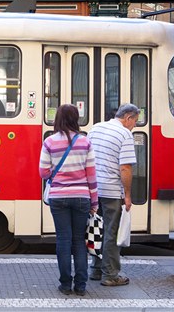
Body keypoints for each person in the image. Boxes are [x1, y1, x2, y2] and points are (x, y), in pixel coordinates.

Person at [39, 104, 98, 296]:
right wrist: (95, 202)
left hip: (58, 197)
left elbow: (43, 172)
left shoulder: (49, 142)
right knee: (78, 241)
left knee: (63, 240)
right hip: (82, 196)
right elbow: (91, 175)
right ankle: (81, 285)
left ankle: (65, 284)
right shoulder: (85, 142)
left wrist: (58, 174)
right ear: (76, 118)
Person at [87, 103, 139, 286]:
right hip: (111, 190)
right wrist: (127, 195)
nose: (134, 126)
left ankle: (95, 269)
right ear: (128, 118)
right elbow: (125, 168)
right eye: (135, 122)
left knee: (96, 230)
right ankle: (110, 274)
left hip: (94, 189)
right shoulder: (124, 134)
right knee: (111, 232)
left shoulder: (96, 128)